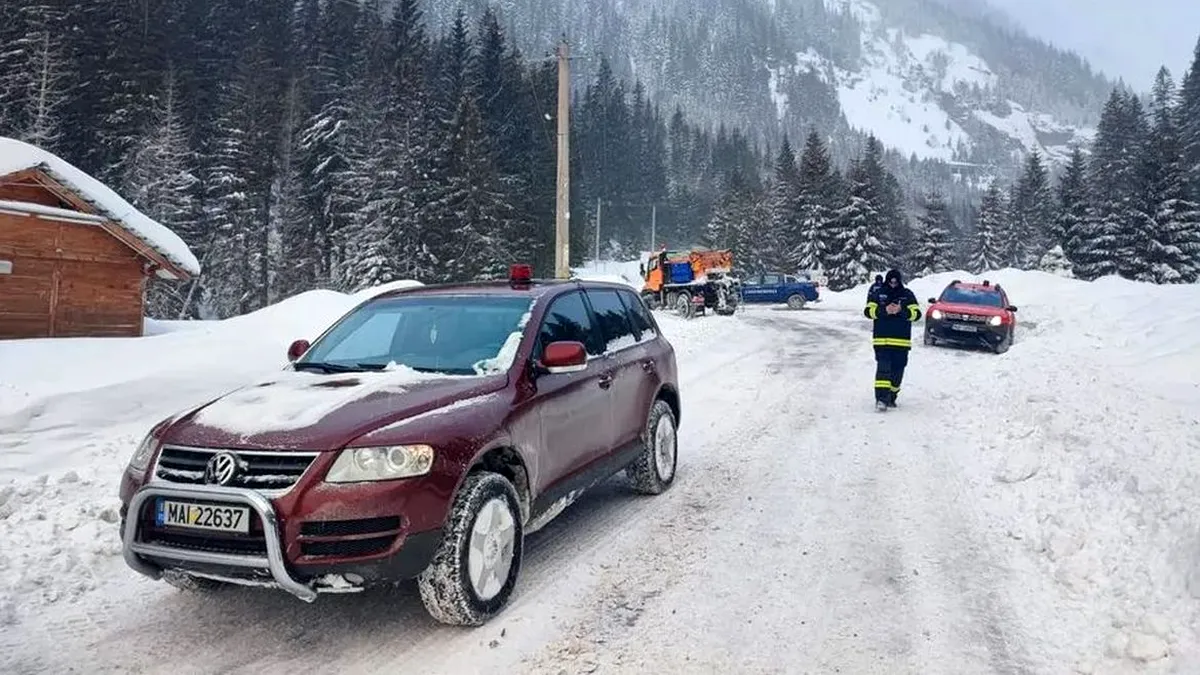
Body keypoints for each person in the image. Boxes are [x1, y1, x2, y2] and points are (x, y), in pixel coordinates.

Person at [863, 269, 922, 410]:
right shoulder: (878, 294)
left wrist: (902, 311)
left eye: (896, 281)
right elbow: (868, 312)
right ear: (887, 280)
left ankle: (892, 396)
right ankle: (881, 399)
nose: (893, 283)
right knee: (883, 370)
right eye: (891, 281)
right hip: (882, 341)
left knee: (897, 372)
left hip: (901, 342)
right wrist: (884, 310)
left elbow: (917, 314)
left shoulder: (907, 295)